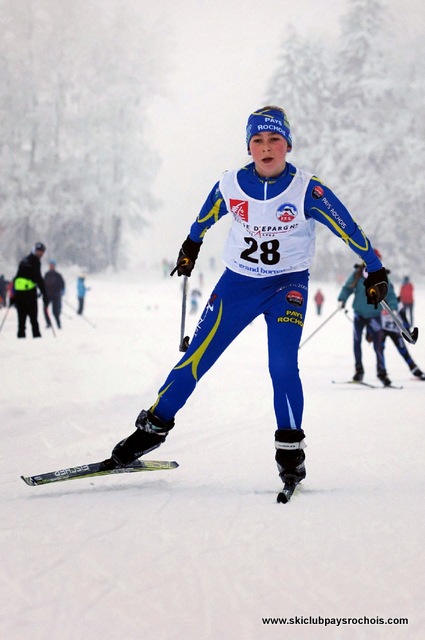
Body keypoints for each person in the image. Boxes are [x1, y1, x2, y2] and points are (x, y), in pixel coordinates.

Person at [100, 105, 389, 489]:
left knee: (282, 365)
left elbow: (347, 227)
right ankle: (152, 429)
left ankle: (290, 451)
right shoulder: (231, 184)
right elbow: (204, 218)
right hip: (237, 285)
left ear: (288, 145)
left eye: (274, 140)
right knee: (195, 358)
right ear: (249, 147)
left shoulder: (308, 190)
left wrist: (375, 268)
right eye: (258, 141)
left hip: (287, 286)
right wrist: (190, 246)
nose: (266, 148)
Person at [338, 256, 397, 386]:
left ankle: (382, 372)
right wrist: (342, 299)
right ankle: (359, 370)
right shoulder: (357, 274)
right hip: (359, 315)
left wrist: (393, 307)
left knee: (378, 345)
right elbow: (347, 288)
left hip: (374, 316)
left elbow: (390, 294)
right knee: (357, 342)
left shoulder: (381, 276)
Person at [379, 305, 425, 380]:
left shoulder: (397, 304)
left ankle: (414, 369)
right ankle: (381, 371)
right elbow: (371, 317)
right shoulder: (378, 302)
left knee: (403, 350)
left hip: (395, 331)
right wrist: (369, 332)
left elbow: (404, 320)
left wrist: (409, 333)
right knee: (379, 350)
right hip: (382, 330)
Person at [13, 242, 47, 338]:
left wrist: (13, 296)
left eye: (41, 252)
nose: (40, 254)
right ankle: (36, 339)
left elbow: (16, 278)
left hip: (19, 295)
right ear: (35, 250)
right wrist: (45, 294)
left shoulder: (23, 261)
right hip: (29, 294)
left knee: (21, 320)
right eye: (39, 252)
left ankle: (21, 339)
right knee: (33, 319)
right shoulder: (35, 261)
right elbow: (38, 278)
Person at [43, 260, 66, 329]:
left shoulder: (58, 275)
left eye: (52, 265)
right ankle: (48, 323)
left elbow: (62, 284)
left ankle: (58, 324)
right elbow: (43, 284)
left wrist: (62, 291)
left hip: (56, 295)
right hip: (47, 295)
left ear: (54, 266)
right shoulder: (46, 274)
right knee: (45, 309)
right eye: (50, 265)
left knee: (55, 311)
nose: (51, 266)